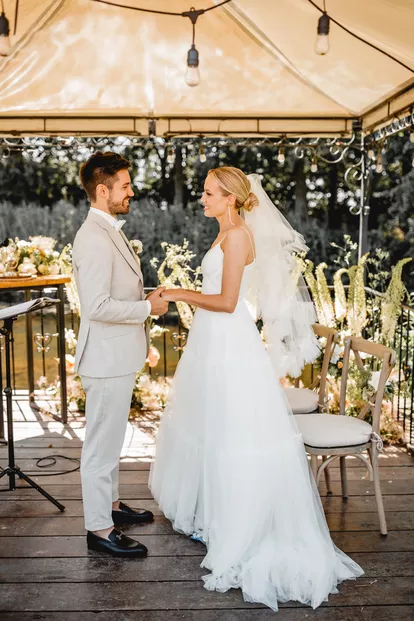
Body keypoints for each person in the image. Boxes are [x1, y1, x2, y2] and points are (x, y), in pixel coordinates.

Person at [149, 166, 363, 611]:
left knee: (234, 434)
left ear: (230, 197)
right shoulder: (226, 232)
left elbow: (227, 302)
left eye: (209, 193)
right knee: (213, 429)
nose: (202, 199)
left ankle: (243, 525)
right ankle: (217, 514)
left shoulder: (237, 236)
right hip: (213, 340)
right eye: (203, 192)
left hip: (229, 342)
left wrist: (179, 293)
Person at [73, 151, 168, 558]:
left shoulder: (108, 230)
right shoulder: (93, 237)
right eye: (125, 186)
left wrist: (148, 297)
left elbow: (116, 291)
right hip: (105, 359)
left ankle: (111, 505)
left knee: (112, 441)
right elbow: (96, 306)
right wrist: (148, 308)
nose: (131, 192)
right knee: (100, 447)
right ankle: (99, 529)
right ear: (102, 190)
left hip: (117, 357)